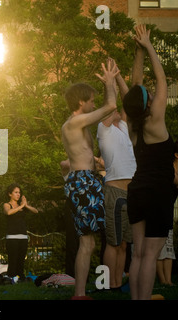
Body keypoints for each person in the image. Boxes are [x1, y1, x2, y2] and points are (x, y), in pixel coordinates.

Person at [123, 25, 176, 300]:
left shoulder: (134, 123)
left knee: (139, 253)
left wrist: (139, 52)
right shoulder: (154, 120)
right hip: (157, 193)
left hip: (138, 191)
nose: (154, 95)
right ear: (147, 103)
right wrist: (149, 45)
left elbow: (135, 87)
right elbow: (162, 80)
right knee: (151, 255)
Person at [61, 59, 119, 299]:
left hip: (86, 180)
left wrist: (93, 162)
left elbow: (76, 157)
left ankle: (82, 292)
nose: (94, 104)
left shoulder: (79, 126)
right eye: (91, 100)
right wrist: (110, 82)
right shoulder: (75, 122)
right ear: (81, 102)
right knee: (87, 243)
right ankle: (80, 294)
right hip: (83, 183)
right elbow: (111, 106)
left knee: (91, 242)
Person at [97, 59, 137, 291]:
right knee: (113, 242)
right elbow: (110, 104)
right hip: (113, 191)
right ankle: (110, 285)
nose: (120, 112)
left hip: (130, 192)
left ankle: (118, 282)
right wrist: (108, 83)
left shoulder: (122, 127)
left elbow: (128, 101)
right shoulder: (104, 128)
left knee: (124, 243)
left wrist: (119, 77)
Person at [3, 183, 38, 280]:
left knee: (21, 260)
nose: (18, 194)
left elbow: (36, 211)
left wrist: (25, 205)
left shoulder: (22, 206)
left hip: (23, 237)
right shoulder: (7, 205)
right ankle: (11, 278)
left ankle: (21, 278)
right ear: (10, 194)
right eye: (15, 192)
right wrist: (21, 206)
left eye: (19, 192)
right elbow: (8, 212)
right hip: (12, 237)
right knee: (13, 259)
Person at [156, 140, 178, 286]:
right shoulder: (169, 168)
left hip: (169, 211)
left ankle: (168, 281)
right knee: (159, 248)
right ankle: (162, 279)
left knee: (169, 248)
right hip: (159, 209)